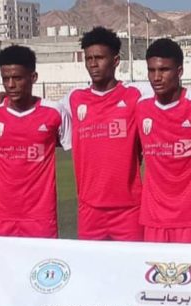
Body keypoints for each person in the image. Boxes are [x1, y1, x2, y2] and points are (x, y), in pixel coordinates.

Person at [60, 27, 152, 241]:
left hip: (129, 209)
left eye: (99, 58)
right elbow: (38, 110)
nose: (93, 64)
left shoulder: (136, 94)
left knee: (131, 262)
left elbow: (182, 94)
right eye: (89, 58)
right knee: (91, 263)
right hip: (89, 210)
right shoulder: (74, 98)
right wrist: (3, 97)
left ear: (116, 61)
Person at [135, 39, 191, 243]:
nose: (156, 77)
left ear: (180, 71)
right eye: (151, 70)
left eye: (164, 70)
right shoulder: (141, 107)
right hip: (153, 219)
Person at [0, 45, 70, 238]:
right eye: (5, 79)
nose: (10, 84)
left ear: (33, 77)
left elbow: (71, 146)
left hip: (41, 216)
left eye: (17, 78)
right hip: (4, 215)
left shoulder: (54, 112)